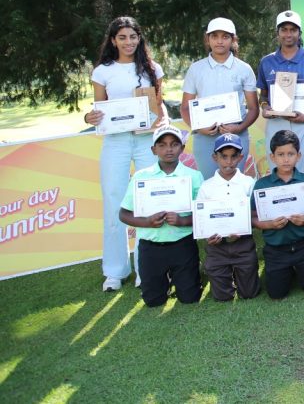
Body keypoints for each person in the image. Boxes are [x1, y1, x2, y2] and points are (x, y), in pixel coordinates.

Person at [84, 16, 168, 292]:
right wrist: (91, 117)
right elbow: (98, 109)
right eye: (122, 37)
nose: (129, 42)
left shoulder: (151, 68)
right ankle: (115, 272)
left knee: (148, 202)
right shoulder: (103, 71)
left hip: (146, 142)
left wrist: (162, 121)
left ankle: (147, 269)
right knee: (114, 202)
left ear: (139, 38)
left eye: (133, 36)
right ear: (113, 40)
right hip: (116, 142)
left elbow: (160, 104)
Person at [118, 127, 203, 307]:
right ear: (153, 149)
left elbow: (203, 214)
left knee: (190, 298)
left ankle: (182, 279)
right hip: (151, 247)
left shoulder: (193, 176)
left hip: (183, 244)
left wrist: (182, 221)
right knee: (153, 301)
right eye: (162, 145)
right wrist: (147, 222)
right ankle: (164, 282)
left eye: (174, 144)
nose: (169, 149)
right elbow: (123, 214)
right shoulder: (141, 177)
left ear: (182, 147)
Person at [252, 130, 304, 299]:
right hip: (276, 248)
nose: (286, 159)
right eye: (280, 154)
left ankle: (300, 269)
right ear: (272, 157)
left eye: (290, 154)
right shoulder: (261, 185)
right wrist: (269, 224)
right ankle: (287, 271)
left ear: (298, 156)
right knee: (276, 295)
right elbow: (252, 217)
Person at [180, 17, 259, 179]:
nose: (219, 41)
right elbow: (185, 108)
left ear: (233, 40)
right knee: (209, 184)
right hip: (204, 138)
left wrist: (239, 128)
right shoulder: (196, 69)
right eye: (214, 36)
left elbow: (253, 108)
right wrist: (198, 128)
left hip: (236, 136)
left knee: (235, 184)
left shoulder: (244, 69)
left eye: (225, 36)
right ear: (207, 39)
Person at [256, 10, 304, 180]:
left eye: (293, 30)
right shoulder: (266, 62)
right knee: (277, 167)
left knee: (303, 170)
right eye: (284, 30)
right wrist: (265, 108)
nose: (288, 34)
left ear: (299, 33)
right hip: (277, 121)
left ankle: (302, 206)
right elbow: (263, 96)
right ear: (277, 33)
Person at [194, 133, 259, 301]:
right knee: (223, 297)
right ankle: (223, 276)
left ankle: (242, 277)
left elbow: (255, 214)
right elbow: (201, 219)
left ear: (240, 157)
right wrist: (208, 237)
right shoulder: (206, 187)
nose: (229, 162)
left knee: (249, 294)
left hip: (243, 243)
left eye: (233, 156)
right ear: (215, 157)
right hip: (217, 246)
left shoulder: (249, 183)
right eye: (224, 156)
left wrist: (244, 227)